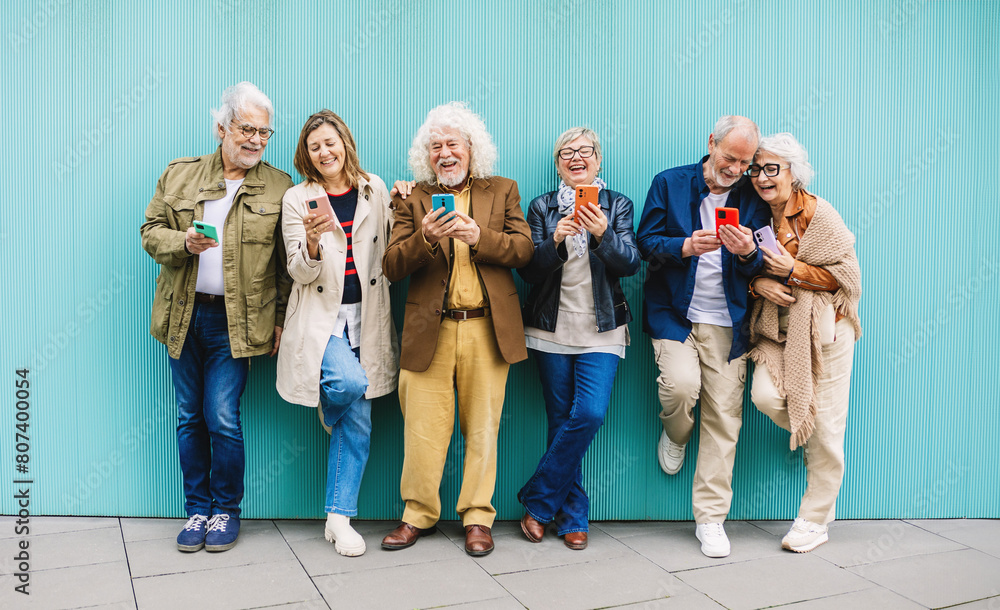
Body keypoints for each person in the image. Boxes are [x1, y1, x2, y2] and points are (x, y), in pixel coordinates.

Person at [140, 81, 292, 552]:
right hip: (183, 316)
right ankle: (196, 512)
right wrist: (183, 243)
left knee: (222, 416)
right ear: (221, 126)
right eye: (247, 128)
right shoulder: (179, 175)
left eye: (264, 133)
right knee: (189, 417)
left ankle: (225, 511)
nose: (255, 140)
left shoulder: (279, 185)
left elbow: (286, 267)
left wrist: (281, 320)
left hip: (238, 322)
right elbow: (149, 232)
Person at [380, 101, 533, 557]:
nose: (444, 154)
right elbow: (391, 266)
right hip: (431, 329)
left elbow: (525, 251)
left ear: (471, 148)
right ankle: (416, 515)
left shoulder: (503, 190)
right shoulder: (411, 197)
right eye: (435, 147)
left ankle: (477, 518)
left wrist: (477, 238)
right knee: (423, 431)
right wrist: (425, 237)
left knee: (483, 429)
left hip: (487, 331)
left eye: (453, 144)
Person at [636, 115, 768, 558]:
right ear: (711, 143)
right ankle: (675, 433)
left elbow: (760, 266)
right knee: (680, 387)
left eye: (745, 163)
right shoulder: (670, 183)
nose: (735, 169)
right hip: (674, 312)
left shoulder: (753, 199)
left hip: (727, 321)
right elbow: (644, 243)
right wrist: (684, 247)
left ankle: (710, 519)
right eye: (730, 157)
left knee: (725, 418)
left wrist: (748, 252)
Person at [275, 110, 399, 557]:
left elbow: (394, 243)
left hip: (368, 316)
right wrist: (310, 243)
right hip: (320, 319)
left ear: (344, 141)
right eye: (315, 147)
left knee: (360, 420)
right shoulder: (297, 198)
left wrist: (405, 200)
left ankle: (338, 518)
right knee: (349, 385)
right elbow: (298, 272)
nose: (325, 152)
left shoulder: (375, 187)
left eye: (330, 142)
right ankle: (332, 403)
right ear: (306, 156)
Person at [516, 127, 639, 550]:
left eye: (585, 151)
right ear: (558, 165)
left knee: (587, 414)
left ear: (598, 161)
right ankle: (572, 517)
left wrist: (603, 233)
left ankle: (537, 501)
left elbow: (630, 265)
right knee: (559, 421)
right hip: (550, 328)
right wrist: (555, 240)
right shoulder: (542, 207)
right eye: (566, 153)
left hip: (602, 330)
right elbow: (529, 271)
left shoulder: (617, 204)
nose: (576, 158)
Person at [746, 133, 862, 553]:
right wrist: (758, 281)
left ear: (794, 172)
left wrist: (794, 269)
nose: (761, 177)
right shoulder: (752, 211)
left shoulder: (817, 212)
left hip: (827, 328)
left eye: (771, 168)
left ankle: (815, 518)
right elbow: (735, 272)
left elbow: (848, 278)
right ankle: (808, 438)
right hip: (776, 331)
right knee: (765, 396)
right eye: (756, 168)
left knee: (828, 427)